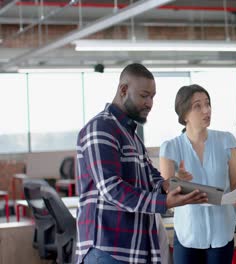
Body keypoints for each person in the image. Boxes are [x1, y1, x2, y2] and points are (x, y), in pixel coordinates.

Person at [75, 63, 208, 264]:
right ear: (123, 90)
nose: (149, 103)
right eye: (144, 96)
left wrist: (168, 185)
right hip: (107, 249)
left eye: (153, 97)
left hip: (133, 248)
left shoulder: (131, 135)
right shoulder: (100, 128)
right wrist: (165, 202)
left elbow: (149, 175)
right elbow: (111, 189)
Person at [159, 84, 236, 264]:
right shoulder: (170, 147)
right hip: (188, 235)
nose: (206, 110)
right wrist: (177, 181)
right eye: (197, 106)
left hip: (222, 233)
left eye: (208, 104)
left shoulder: (226, 140)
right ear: (184, 114)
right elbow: (166, 196)